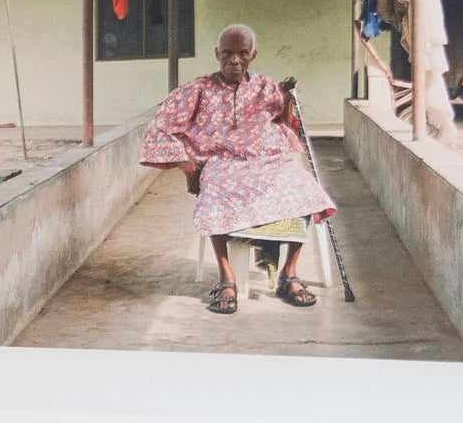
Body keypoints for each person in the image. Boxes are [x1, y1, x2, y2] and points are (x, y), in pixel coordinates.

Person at [140, 21, 338, 315]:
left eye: (242, 54)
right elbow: (158, 128)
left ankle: (288, 274)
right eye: (227, 54)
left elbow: (285, 122)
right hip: (224, 162)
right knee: (215, 191)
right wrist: (189, 168)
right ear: (217, 53)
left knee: (304, 186)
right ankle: (227, 278)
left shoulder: (266, 86)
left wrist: (287, 97)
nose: (234, 60)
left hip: (269, 160)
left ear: (252, 55)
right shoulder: (198, 89)